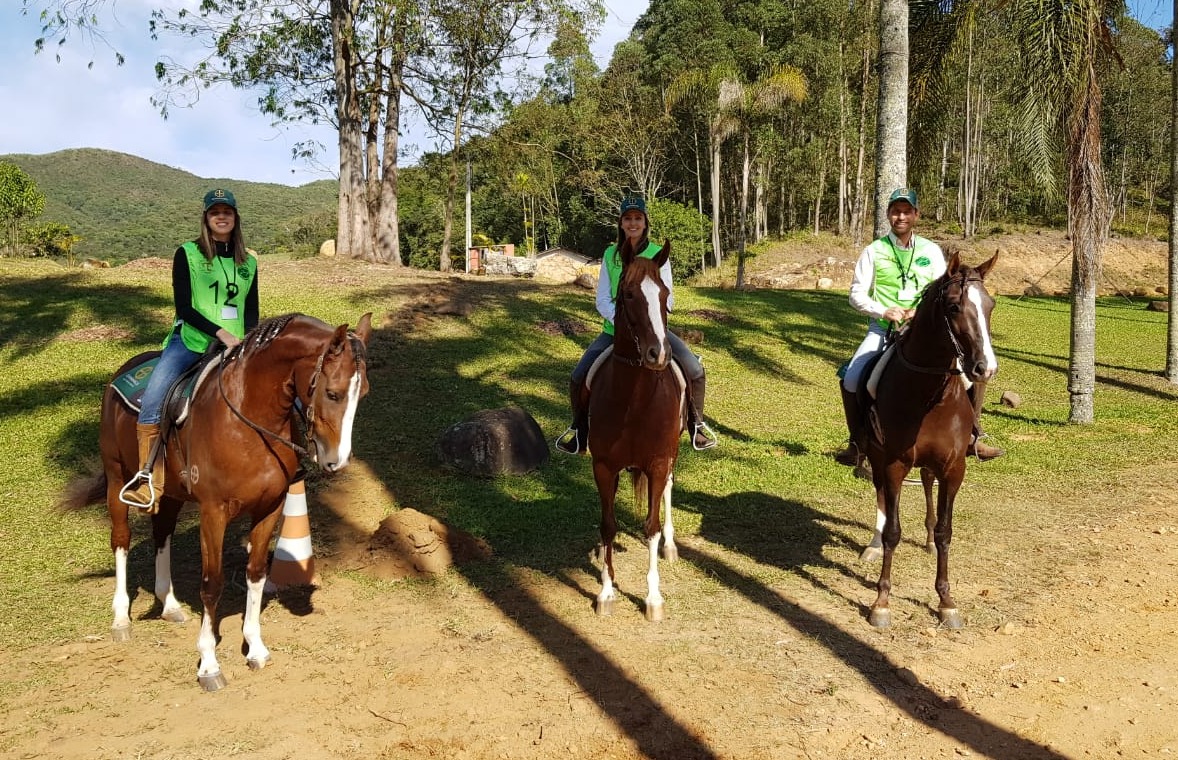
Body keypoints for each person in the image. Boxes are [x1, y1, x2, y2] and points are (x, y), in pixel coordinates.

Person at [834, 187, 1003, 466]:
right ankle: (858, 443)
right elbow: (856, 294)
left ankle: (974, 437)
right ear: (889, 215)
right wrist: (883, 310)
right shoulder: (874, 251)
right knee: (852, 378)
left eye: (906, 211)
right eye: (895, 211)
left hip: (923, 330)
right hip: (883, 329)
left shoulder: (930, 251)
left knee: (970, 375)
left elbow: (944, 291)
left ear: (915, 215)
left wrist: (920, 312)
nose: (901, 216)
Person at [121, 188, 260, 511]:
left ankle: (293, 459)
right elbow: (184, 307)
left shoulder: (248, 263)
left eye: (227, 211)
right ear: (206, 218)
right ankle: (146, 479)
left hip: (235, 346)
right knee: (155, 398)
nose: (221, 217)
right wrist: (219, 332)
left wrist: (250, 340)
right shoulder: (188, 254)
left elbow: (250, 310)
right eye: (215, 212)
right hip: (192, 342)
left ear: (235, 218)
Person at [554, 194, 717, 455]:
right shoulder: (610, 255)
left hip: (652, 329)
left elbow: (669, 297)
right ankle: (579, 431)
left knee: (694, 370)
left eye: (637, 218)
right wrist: (622, 324)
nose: (633, 223)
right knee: (578, 376)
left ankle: (696, 425)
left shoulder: (657, 254)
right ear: (620, 223)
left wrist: (648, 322)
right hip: (614, 332)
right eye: (628, 219)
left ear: (645, 222)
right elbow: (602, 298)